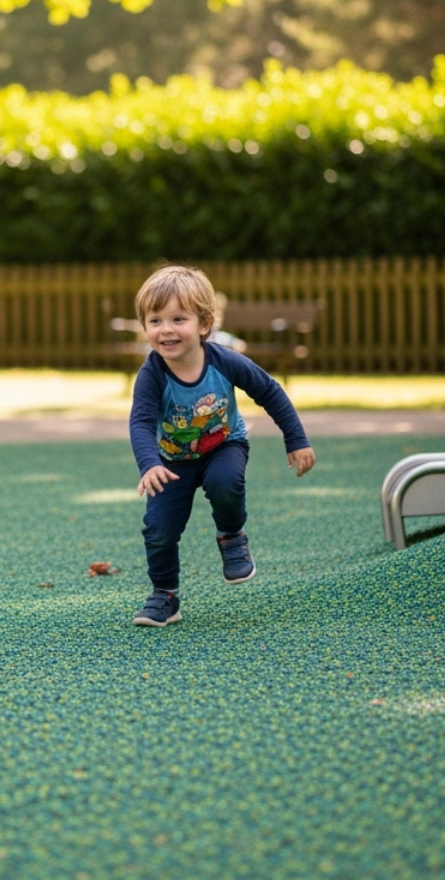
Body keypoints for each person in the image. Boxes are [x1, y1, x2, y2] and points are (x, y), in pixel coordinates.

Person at [127, 265, 315, 627]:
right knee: (159, 528)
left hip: (223, 444)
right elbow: (141, 421)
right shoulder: (151, 374)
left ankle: (231, 536)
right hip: (172, 460)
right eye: (154, 320)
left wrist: (296, 439)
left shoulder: (223, 361)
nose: (165, 329)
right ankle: (164, 595)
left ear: (203, 324)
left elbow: (269, 391)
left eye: (178, 318)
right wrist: (150, 464)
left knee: (224, 484)